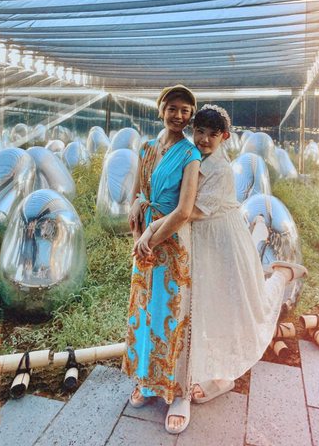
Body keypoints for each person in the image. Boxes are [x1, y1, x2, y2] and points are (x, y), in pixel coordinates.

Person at [136, 104, 308, 432]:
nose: (203, 139)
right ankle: (206, 376)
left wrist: (152, 231)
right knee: (203, 309)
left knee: (245, 308)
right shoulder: (191, 156)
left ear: (224, 137)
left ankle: (283, 274)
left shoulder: (220, 168)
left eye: (211, 135)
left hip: (221, 241)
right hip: (196, 240)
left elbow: (189, 211)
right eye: (199, 132)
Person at [122, 85, 201, 435]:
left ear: (191, 115)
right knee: (145, 311)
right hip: (144, 240)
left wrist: (150, 237)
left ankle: (179, 392)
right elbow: (138, 193)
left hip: (171, 242)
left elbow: (184, 211)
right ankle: (147, 379)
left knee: (173, 316)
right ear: (161, 110)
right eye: (173, 108)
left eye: (185, 110)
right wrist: (137, 226)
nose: (178, 115)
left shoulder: (191, 154)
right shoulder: (146, 148)